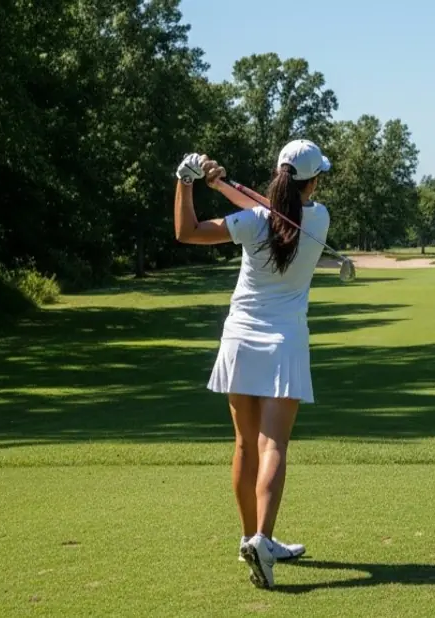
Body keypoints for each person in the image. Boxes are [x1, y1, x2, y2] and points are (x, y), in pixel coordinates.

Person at [173, 139, 332, 590]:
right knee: (273, 445)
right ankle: (260, 538)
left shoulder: (250, 223)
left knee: (245, 445)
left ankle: (253, 537)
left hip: (240, 338)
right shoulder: (318, 219)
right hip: (285, 341)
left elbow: (187, 232)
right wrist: (221, 184)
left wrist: (187, 183)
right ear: (312, 181)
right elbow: (275, 208)